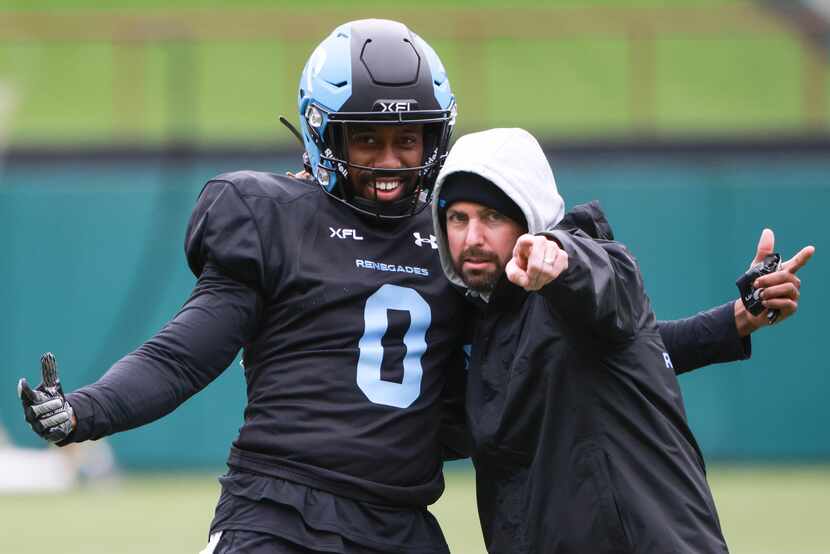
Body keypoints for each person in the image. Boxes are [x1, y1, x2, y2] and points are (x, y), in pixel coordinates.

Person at [16, 20, 808, 554]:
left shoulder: (459, 239)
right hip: (280, 511)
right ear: (324, 133)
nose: (392, 161)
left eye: (409, 139)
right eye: (368, 140)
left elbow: (578, 356)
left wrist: (726, 324)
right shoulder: (272, 217)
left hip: (400, 526)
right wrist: (91, 410)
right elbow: (187, 352)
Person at [432, 127, 814, 553]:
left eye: (493, 217)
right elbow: (632, 351)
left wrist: (559, 260)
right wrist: (733, 320)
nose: (472, 238)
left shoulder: (588, 266)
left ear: (529, 216)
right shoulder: (488, 319)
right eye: (458, 218)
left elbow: (601, 286)